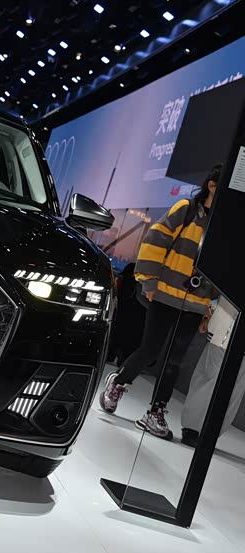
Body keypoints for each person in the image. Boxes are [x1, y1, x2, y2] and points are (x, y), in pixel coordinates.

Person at [100, 164, 221, 439]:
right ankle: (118, 382)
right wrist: (149, 281)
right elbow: (155, 240)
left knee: (174, 360)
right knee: (150, 350)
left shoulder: (222, 226)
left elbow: (218, 268)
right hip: (164, 294)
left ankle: (155, 412)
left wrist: (210, 305)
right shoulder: (186, 209)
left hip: (195, 303)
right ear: (212, 186)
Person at [180, 296, 245, 447]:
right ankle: (192, 429)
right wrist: (209, 312)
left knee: (234, 389)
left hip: (227, 333)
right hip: (222, 332)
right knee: (208, 380)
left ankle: (210, 432)